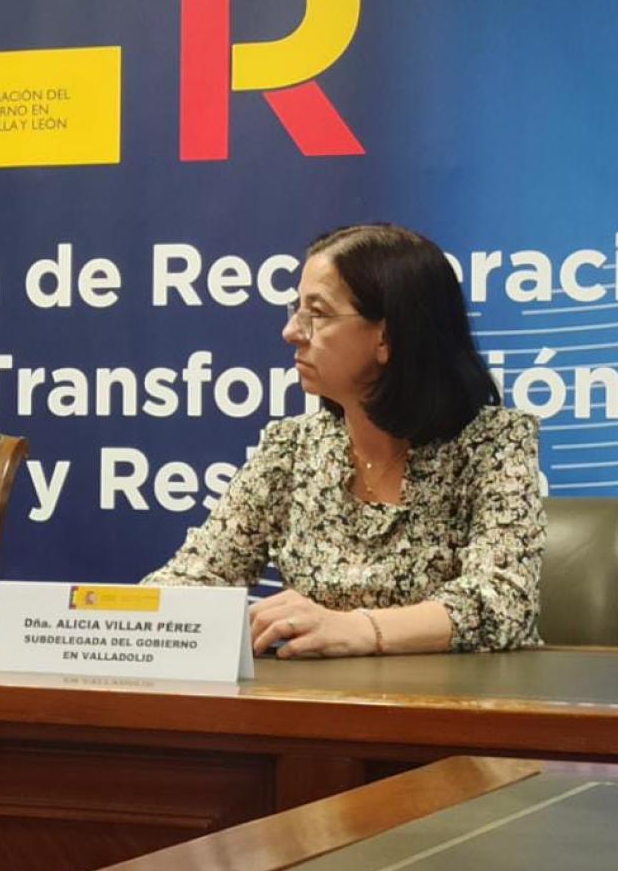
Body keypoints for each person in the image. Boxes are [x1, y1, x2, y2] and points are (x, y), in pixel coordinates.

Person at [142, 223, 544, 658]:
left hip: (455, 697)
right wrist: (114, 618)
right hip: (316, 698)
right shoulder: (291, 448)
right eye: (296, 310)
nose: (291, 332)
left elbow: (503, 602)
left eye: (317, 314)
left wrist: (359, 629)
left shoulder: (494, 443)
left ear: (387, 336)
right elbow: (193, 579)